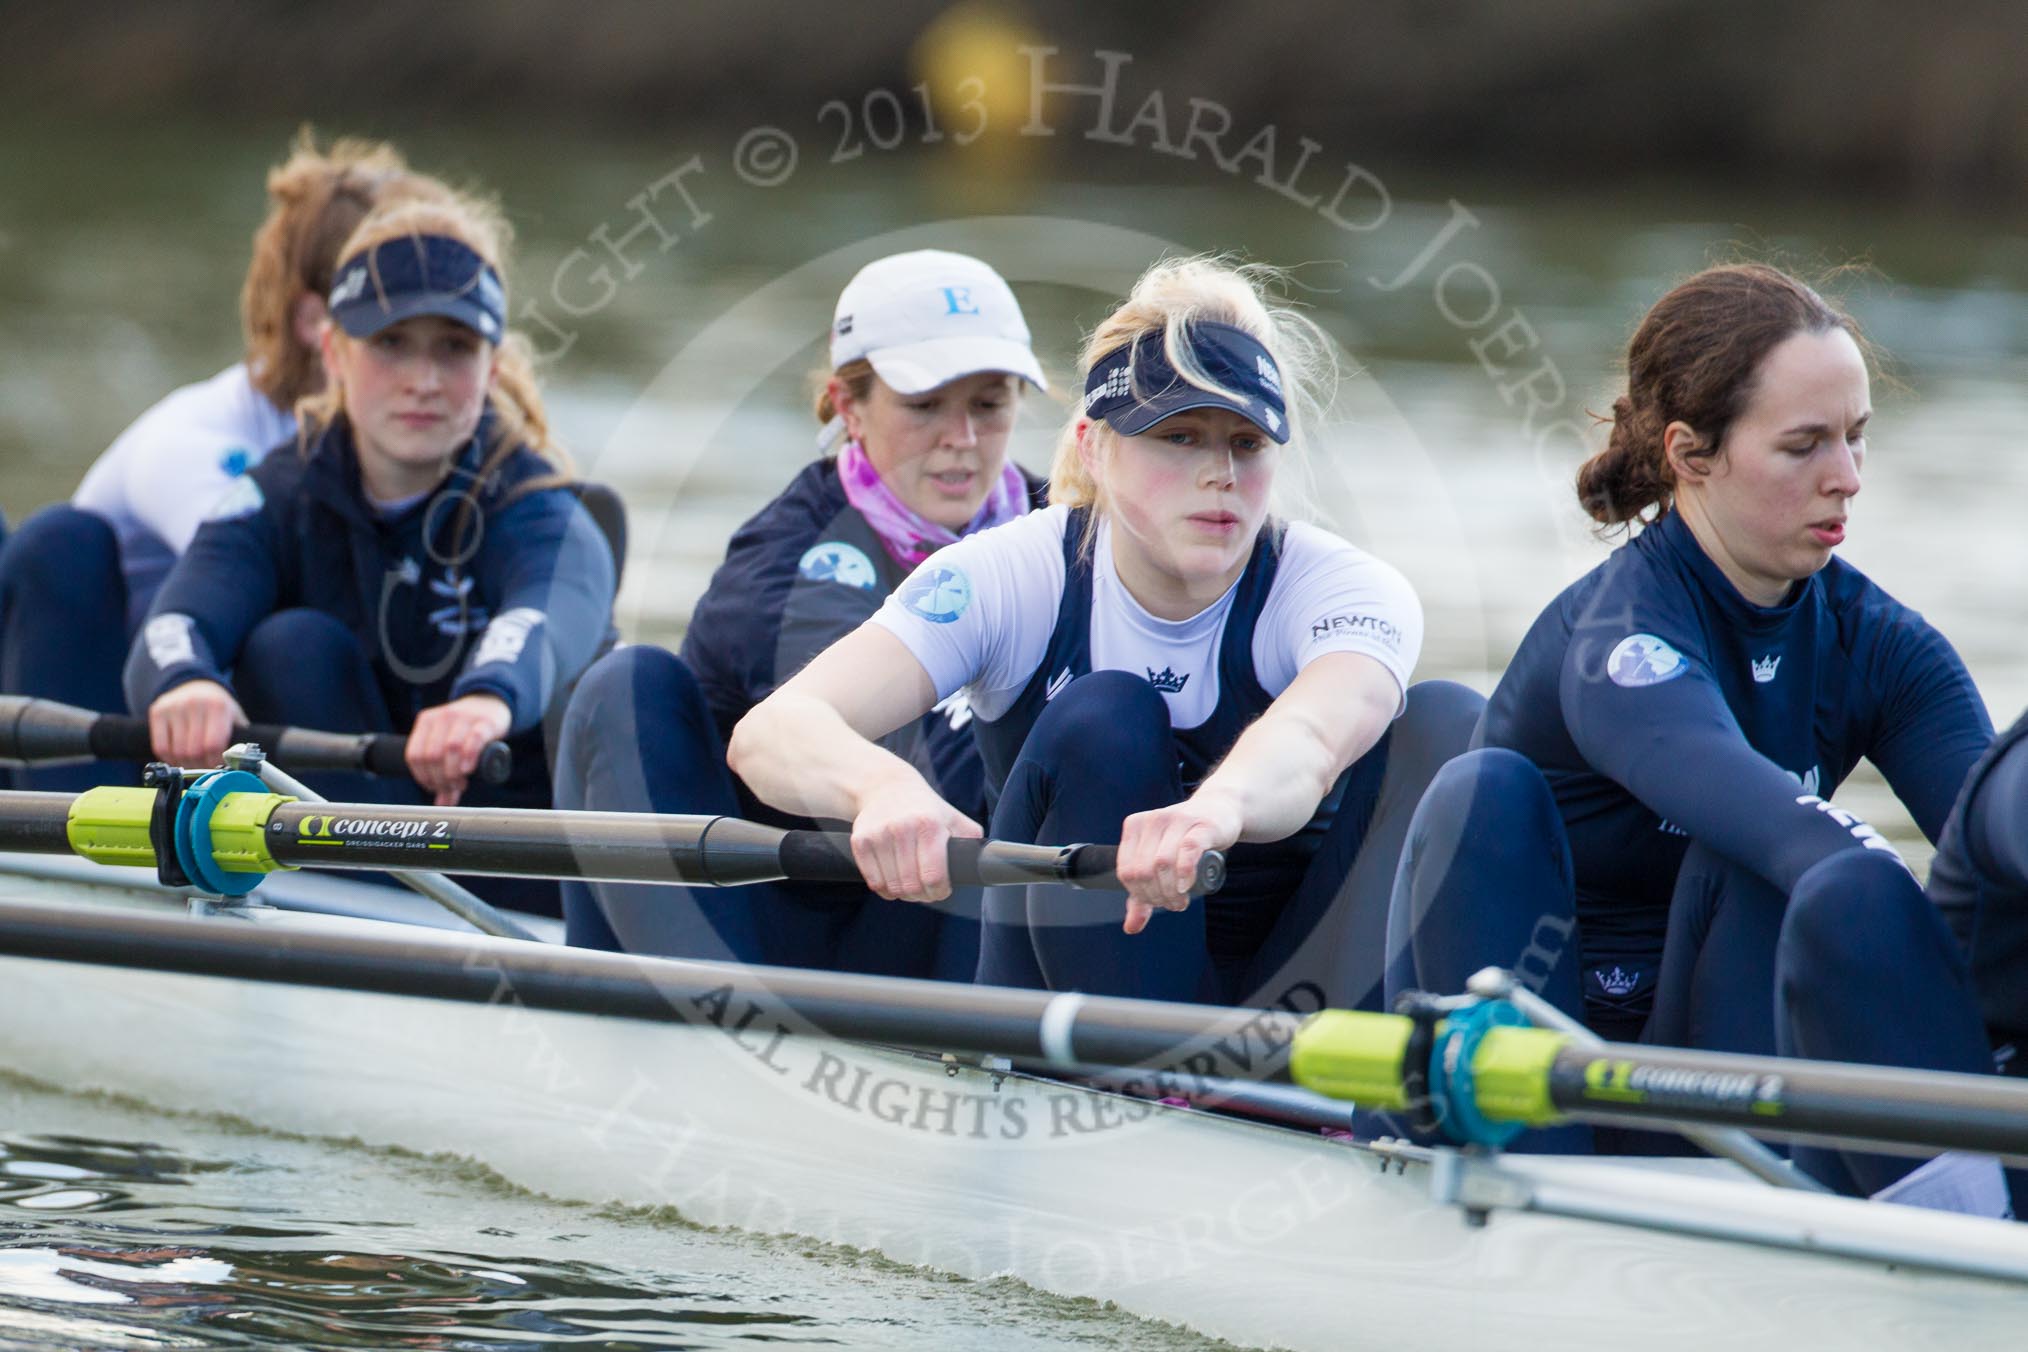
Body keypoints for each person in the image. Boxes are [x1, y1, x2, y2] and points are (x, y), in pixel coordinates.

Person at [1388, 263, 2009, 1205]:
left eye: (1857, 438)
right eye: (1804, 445)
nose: (1845, 478)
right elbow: (1821, 860)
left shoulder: (1883, 649)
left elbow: (1994, 868)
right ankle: (1533, 1214)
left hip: (1699, 1076)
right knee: (1508, 798)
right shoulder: (1622, 646)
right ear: (1690, 453)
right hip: (1524, 1071)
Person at [728, 256, 1483, 1007]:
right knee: (1107, 716)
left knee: (1450, 725)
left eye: (1246, 443)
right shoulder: (1008, 576)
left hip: (1290, 1002)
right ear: (1094, 447)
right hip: (1072, 999)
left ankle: (1362, 1096)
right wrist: (883, 789)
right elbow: (772, 732)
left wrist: (1214, 812)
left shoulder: (1344, 590)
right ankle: (1128, 1082)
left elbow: (1314, 742)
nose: (1220, 473)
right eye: (1179, 437)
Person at [554, 249, 1049, 977]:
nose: (962, 439)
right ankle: (698, 1032)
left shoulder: (1067, 534)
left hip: (924, 930)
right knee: (626, 685)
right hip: (745, 930)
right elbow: (913, 750)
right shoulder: (778, 562)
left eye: (988, 404)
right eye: (924, 405)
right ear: (849, 408)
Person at [121, 191, 616, 915]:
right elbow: (179, 620)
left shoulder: (533, 505)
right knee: (291, 648)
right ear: (333, 352)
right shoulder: (280, 492)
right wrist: (186, 683)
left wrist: (486, 699)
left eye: (454, 348)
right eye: (390, 343)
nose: (423, 381)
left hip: (518, 880)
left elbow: (548, 610)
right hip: (362, 867)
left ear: (493, 364)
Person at [0, 132, 439, 790]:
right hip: (119, 729)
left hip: (228, 737)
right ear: (315, 323)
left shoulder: (406, 445)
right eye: (400, 322)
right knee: (69, 543)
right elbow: (240, 587)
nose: (427, 368)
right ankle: (65, 853)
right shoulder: (191, 441)